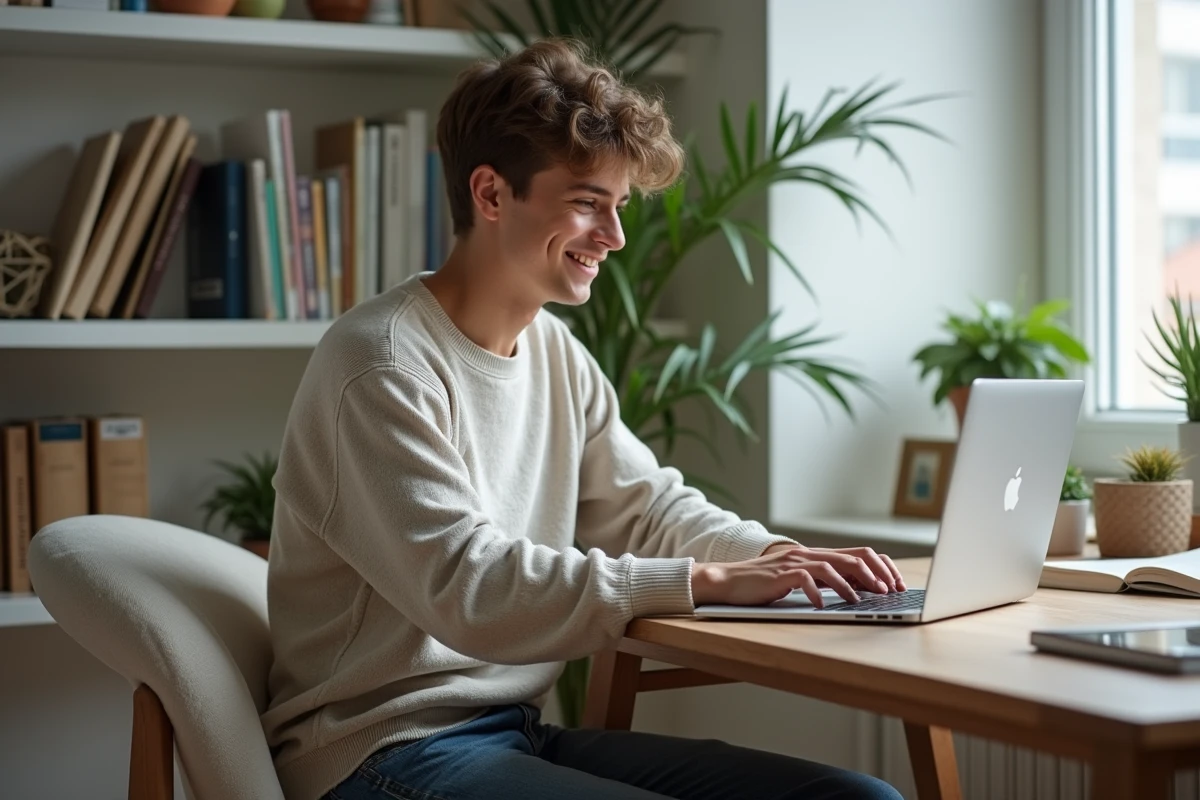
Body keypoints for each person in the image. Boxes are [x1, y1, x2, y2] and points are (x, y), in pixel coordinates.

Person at [262, 37, 906, 800]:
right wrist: (704, 580)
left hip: (511, 730)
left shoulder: (554, 354)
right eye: (586, 204)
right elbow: (467, 584)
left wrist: (780, 560)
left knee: (857, 798)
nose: (615, 237)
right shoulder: (379, 364)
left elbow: (648, 506)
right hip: (382, 749)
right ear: (492, 194)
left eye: (619, 206)